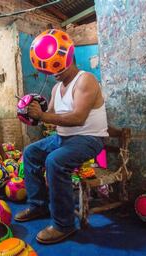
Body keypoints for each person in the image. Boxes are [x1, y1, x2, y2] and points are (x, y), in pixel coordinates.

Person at [14, 62, 108, 244]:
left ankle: (64, 224)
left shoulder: (85, 80)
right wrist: (30, 112)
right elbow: (48, 115)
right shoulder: (56, 88)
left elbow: (78, 118)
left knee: (55, 161)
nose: (52, 71)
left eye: (57, 66)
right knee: (31, 152)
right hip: (62, 138)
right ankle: (39, 206)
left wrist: (42, 116)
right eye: (50, 68)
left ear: (69, 61)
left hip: (89, 139)